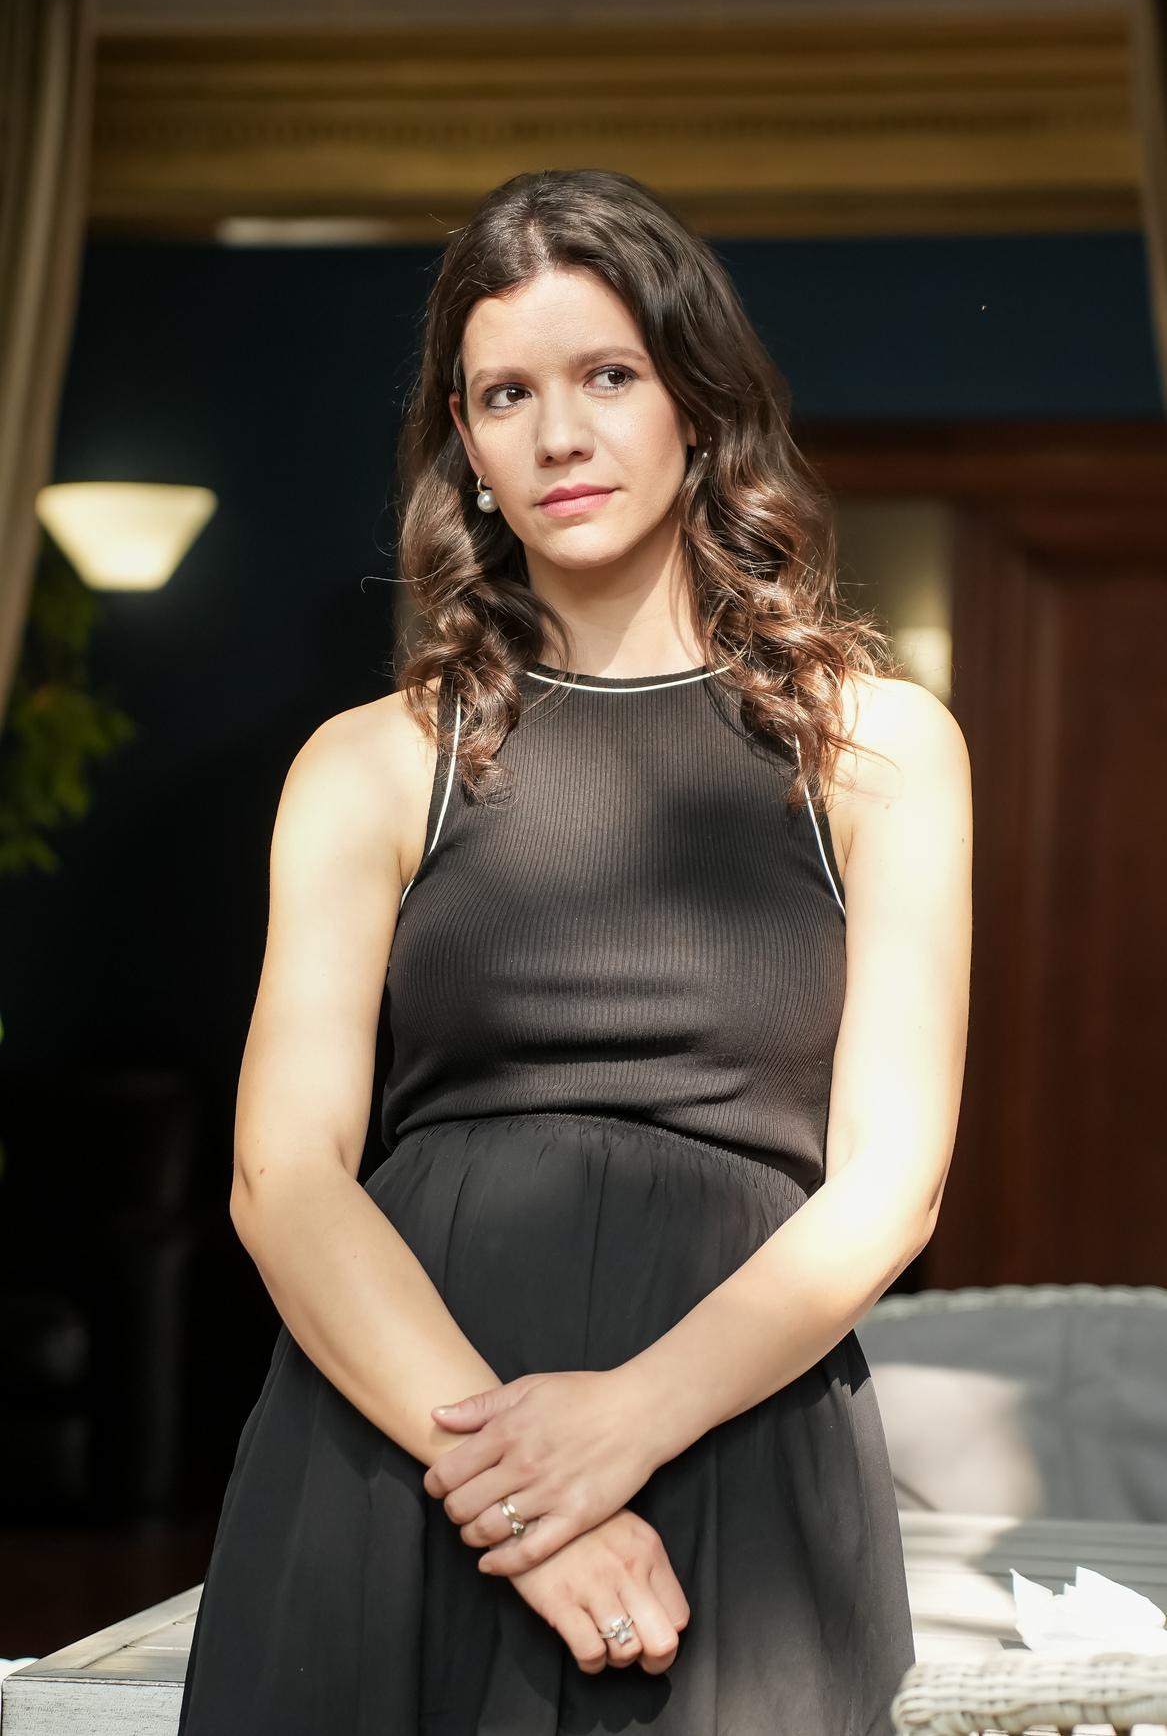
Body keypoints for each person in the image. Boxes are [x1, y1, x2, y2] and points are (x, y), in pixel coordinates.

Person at [176, 167, 972, 1736]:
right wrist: (524, 1491)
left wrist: (623, 1426)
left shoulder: (876, 746)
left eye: (608, 374)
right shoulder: (368, 762)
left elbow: (894, 1182)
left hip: (734, 1445)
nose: (558, 434)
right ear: (464, 445)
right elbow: (283, 1173)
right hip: (398, 1455)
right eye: (505, 394)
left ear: (698, 402)